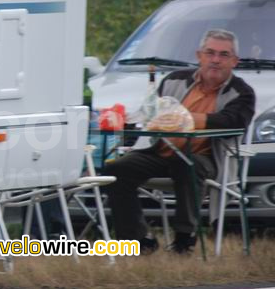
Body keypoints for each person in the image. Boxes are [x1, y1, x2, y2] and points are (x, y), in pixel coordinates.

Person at [104, 29, 255, 254]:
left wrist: (185, 118)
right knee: (116, 170)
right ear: (199, 55)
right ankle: (137, 240)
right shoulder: (175, 79)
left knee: (186, 163)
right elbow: (151, 111)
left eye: (224, 55)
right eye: (210, 53)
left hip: (206, 157)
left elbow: (232, 121)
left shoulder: (242, 92)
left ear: (235, 61)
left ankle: (184, 239)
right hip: (159, 150)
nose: (215, 60)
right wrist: (133, 118)